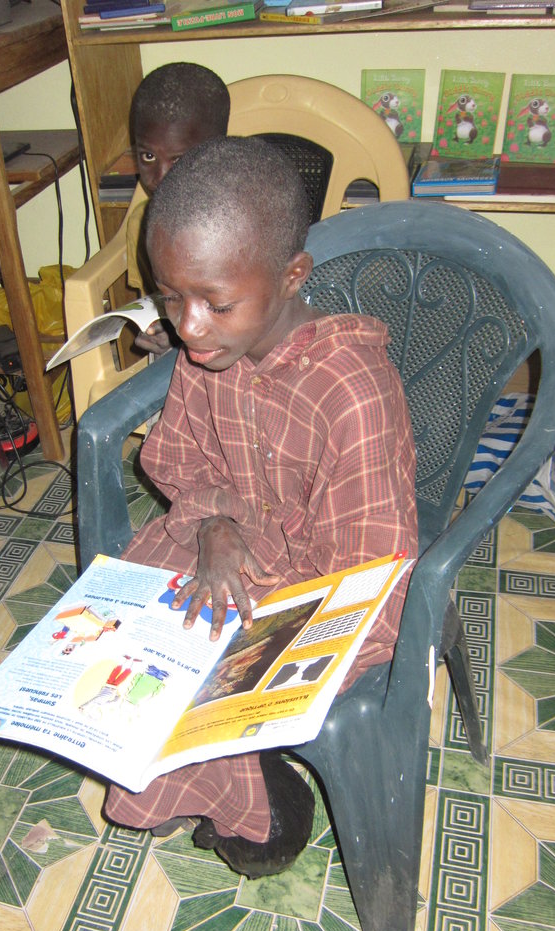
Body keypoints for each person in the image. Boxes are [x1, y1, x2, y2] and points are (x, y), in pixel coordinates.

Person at [104, 136, 418, 879]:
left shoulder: (352, 392)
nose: (189, 325)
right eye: (171, 296)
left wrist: (252, 630)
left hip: (335, 588)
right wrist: (215, 524)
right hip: (240, 544)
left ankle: (262, 802)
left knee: (197, 675)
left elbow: (371, 578)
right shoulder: (209, 350)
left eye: (215, 301)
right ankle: (224, 779)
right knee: (130, 623)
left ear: (291, 276)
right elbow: (177, 461)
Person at [126, 62, 230, 356]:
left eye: (178, 159)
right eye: (148, 156)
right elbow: (156, 307)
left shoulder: (242, 224)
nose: (160, 178)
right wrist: (160, 338)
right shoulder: (143, 225)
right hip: (181, 358)